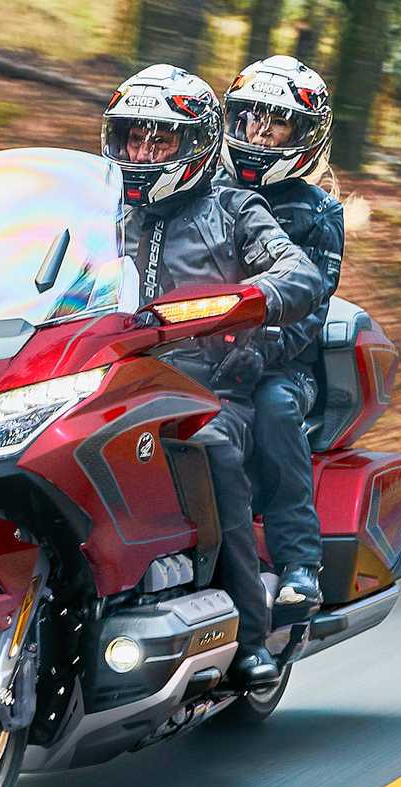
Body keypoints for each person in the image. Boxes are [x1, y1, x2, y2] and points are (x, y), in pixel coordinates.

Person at [102, 64, 325, 690]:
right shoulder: (104, 215)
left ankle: (252, 639)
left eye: (160, 140)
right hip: (113, 383)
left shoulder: (233, 208)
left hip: (209, 390)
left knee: (212, 450)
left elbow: (300, 274)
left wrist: (252, 301)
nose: (143, 153)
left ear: (196, 144)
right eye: (132, 138)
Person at [219, 55, 344, 616]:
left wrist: (258, 350)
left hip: (285, 365)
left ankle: (299, 562)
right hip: (195, 351)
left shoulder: (319, 212)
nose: (258, 132)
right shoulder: (205, 188)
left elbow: (310, 310)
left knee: (272, 408)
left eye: (277, 122)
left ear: (305, 135)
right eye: (249, 118)